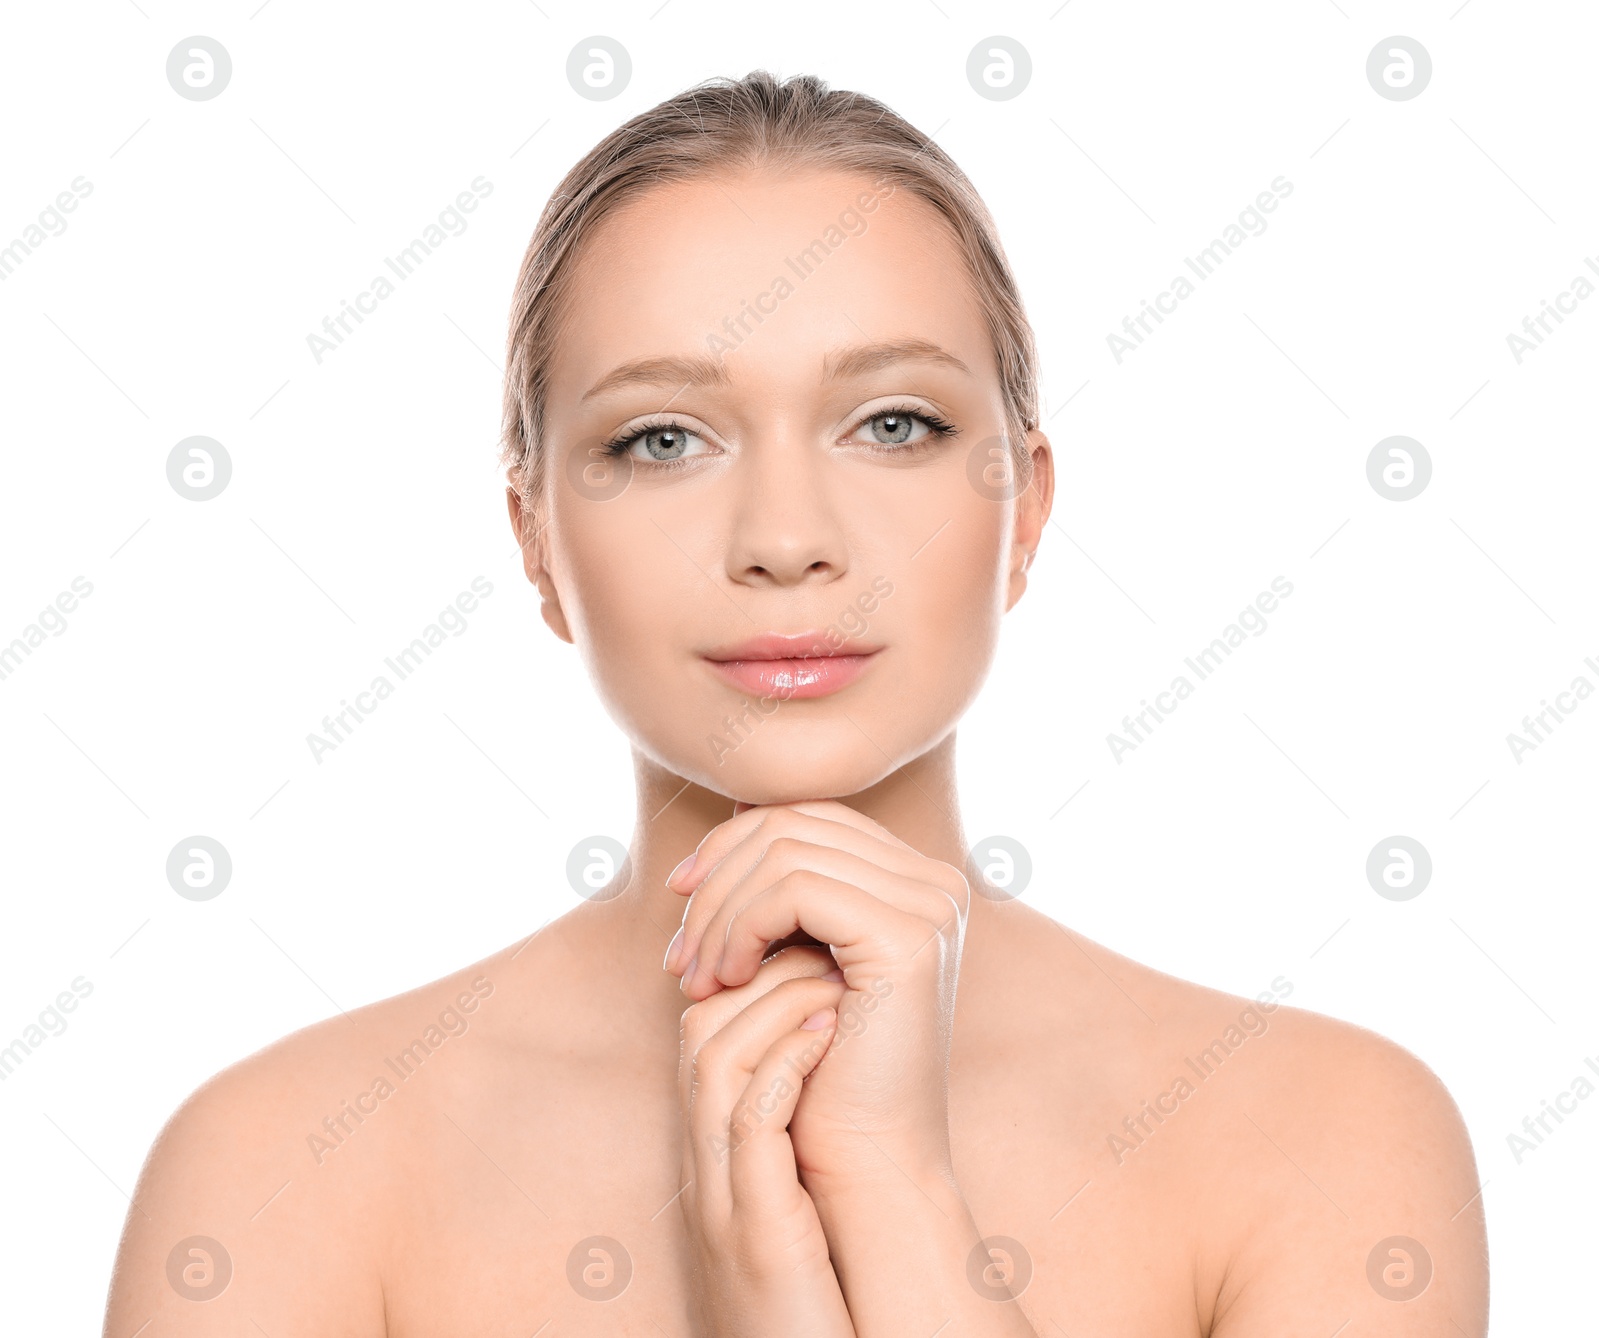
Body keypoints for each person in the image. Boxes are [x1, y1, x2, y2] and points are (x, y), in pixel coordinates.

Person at [103, 70, 1488, 1336]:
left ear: (1025, 510)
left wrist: (891, 1196)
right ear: (534, 541)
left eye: (895, 423)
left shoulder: (1325, 1135)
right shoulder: (277, 1170)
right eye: (663, 437)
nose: (784, 535)